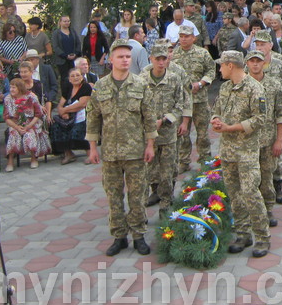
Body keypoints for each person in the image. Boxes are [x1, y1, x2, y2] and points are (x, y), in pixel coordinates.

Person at [86, 39, 156, 257]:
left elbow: (149, 117)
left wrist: (150, 145)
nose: (125, 60)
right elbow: (93, 117)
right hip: (110, 153)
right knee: (113, 196)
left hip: (135, 151)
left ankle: (138, 235)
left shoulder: (140, 84)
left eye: (128, 56)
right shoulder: (101, 87)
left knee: (137, 196)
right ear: (110, 59)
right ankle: (119, 236)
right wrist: (92, 148)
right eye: (121, 57)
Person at [211, 50, 271, 258]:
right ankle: (242, 234)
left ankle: (262, 237)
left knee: (250, 194)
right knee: (235, 195)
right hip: (228, 152)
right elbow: (216, 109)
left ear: (230, 65)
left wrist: (231, 128)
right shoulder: (226, 88)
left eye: (221, 65)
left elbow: (259, 120)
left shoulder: (255, 88)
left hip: (246, 151)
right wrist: (216, 121)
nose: (219, 69)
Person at [141, 42, 189, 217]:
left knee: (168, 171)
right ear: (151, 59)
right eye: (158, 59)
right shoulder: (142, 78)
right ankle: (152, 197)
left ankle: (165, 205)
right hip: (148, 135)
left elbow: (180, 103)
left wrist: (165, 119)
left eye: (164, 58)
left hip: (168, 133)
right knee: (149, 171)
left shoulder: (174, 78)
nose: (161, 62)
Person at [245, 50, 282, 228]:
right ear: (247, 64)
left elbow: (280, 115)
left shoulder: (274, 85)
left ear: (264, 64)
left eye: (258, 61)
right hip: (246, 142)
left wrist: (279, 140)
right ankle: (248, 213)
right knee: (248, 180)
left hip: (267, 140)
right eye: (252, 61)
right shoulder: (240, 85)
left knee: (267, 177)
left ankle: (268, 210)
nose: (255, 64)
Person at [174, 25, 216, 173]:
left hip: (199, 100)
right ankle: (183, 161)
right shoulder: (173, 55)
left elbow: (211, 70)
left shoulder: (202, 53)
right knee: (182, 133)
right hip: (181, 101)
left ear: (194, 38)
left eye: (187, 36)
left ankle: (205, 159)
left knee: (203, 133)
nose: (184, 39)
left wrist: (201, 82)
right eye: (181, 36)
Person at [3, 77, 51, 171]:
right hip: (15, 123)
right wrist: (17, 127)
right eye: (11, 87)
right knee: (13, 135)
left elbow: (38, 114)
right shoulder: (8, 99)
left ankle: (33, 158)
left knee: (29, 134)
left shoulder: (31, 97)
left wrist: (28, 126)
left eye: (14, 87)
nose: (11, 90)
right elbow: (7, 118)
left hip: (32, 122)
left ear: (20, 88)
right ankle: (10, 161)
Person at [51, 67, 92, 165]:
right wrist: (63, 112)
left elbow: (82, 104)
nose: (75, 78)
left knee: (79, 128)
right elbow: (60, 104)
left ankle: (90, 154)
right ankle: (68, 154)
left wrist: (64, 110)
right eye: (72, 76)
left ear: (82, 77)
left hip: (83, 115)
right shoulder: (68, 87)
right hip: (69, 116)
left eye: (78, 75)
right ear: (69, 79)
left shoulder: (86, 87)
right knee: (56, 126)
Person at [51, 15, 82, 81]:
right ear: (60, 22)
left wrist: (75, 54)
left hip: (73, 59)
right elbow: (55, 47)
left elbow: (78, 43)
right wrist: (65, 55)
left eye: (68, 21)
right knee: (65, 79)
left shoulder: (73, 31)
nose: (67, 23)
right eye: (65, 21)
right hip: (62, 60)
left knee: (75, 77)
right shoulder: (56, 33)